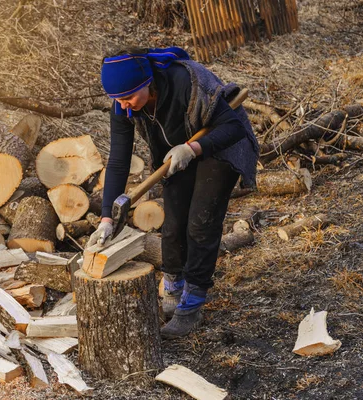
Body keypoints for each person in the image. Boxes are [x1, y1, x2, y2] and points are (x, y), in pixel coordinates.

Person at [86, 47, 259, 338]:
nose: (125, 106)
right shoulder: (124, 105)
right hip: (179, 151)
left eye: (129, 97)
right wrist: (106, 217)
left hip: (218, 141)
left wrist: (193, 148)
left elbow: (233, 127)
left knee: (201, 222)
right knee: (174, 221)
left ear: (147, 83)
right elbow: (118, 160)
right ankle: (174, 288)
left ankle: (192, 304)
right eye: (118, 101)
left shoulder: (187, 84)